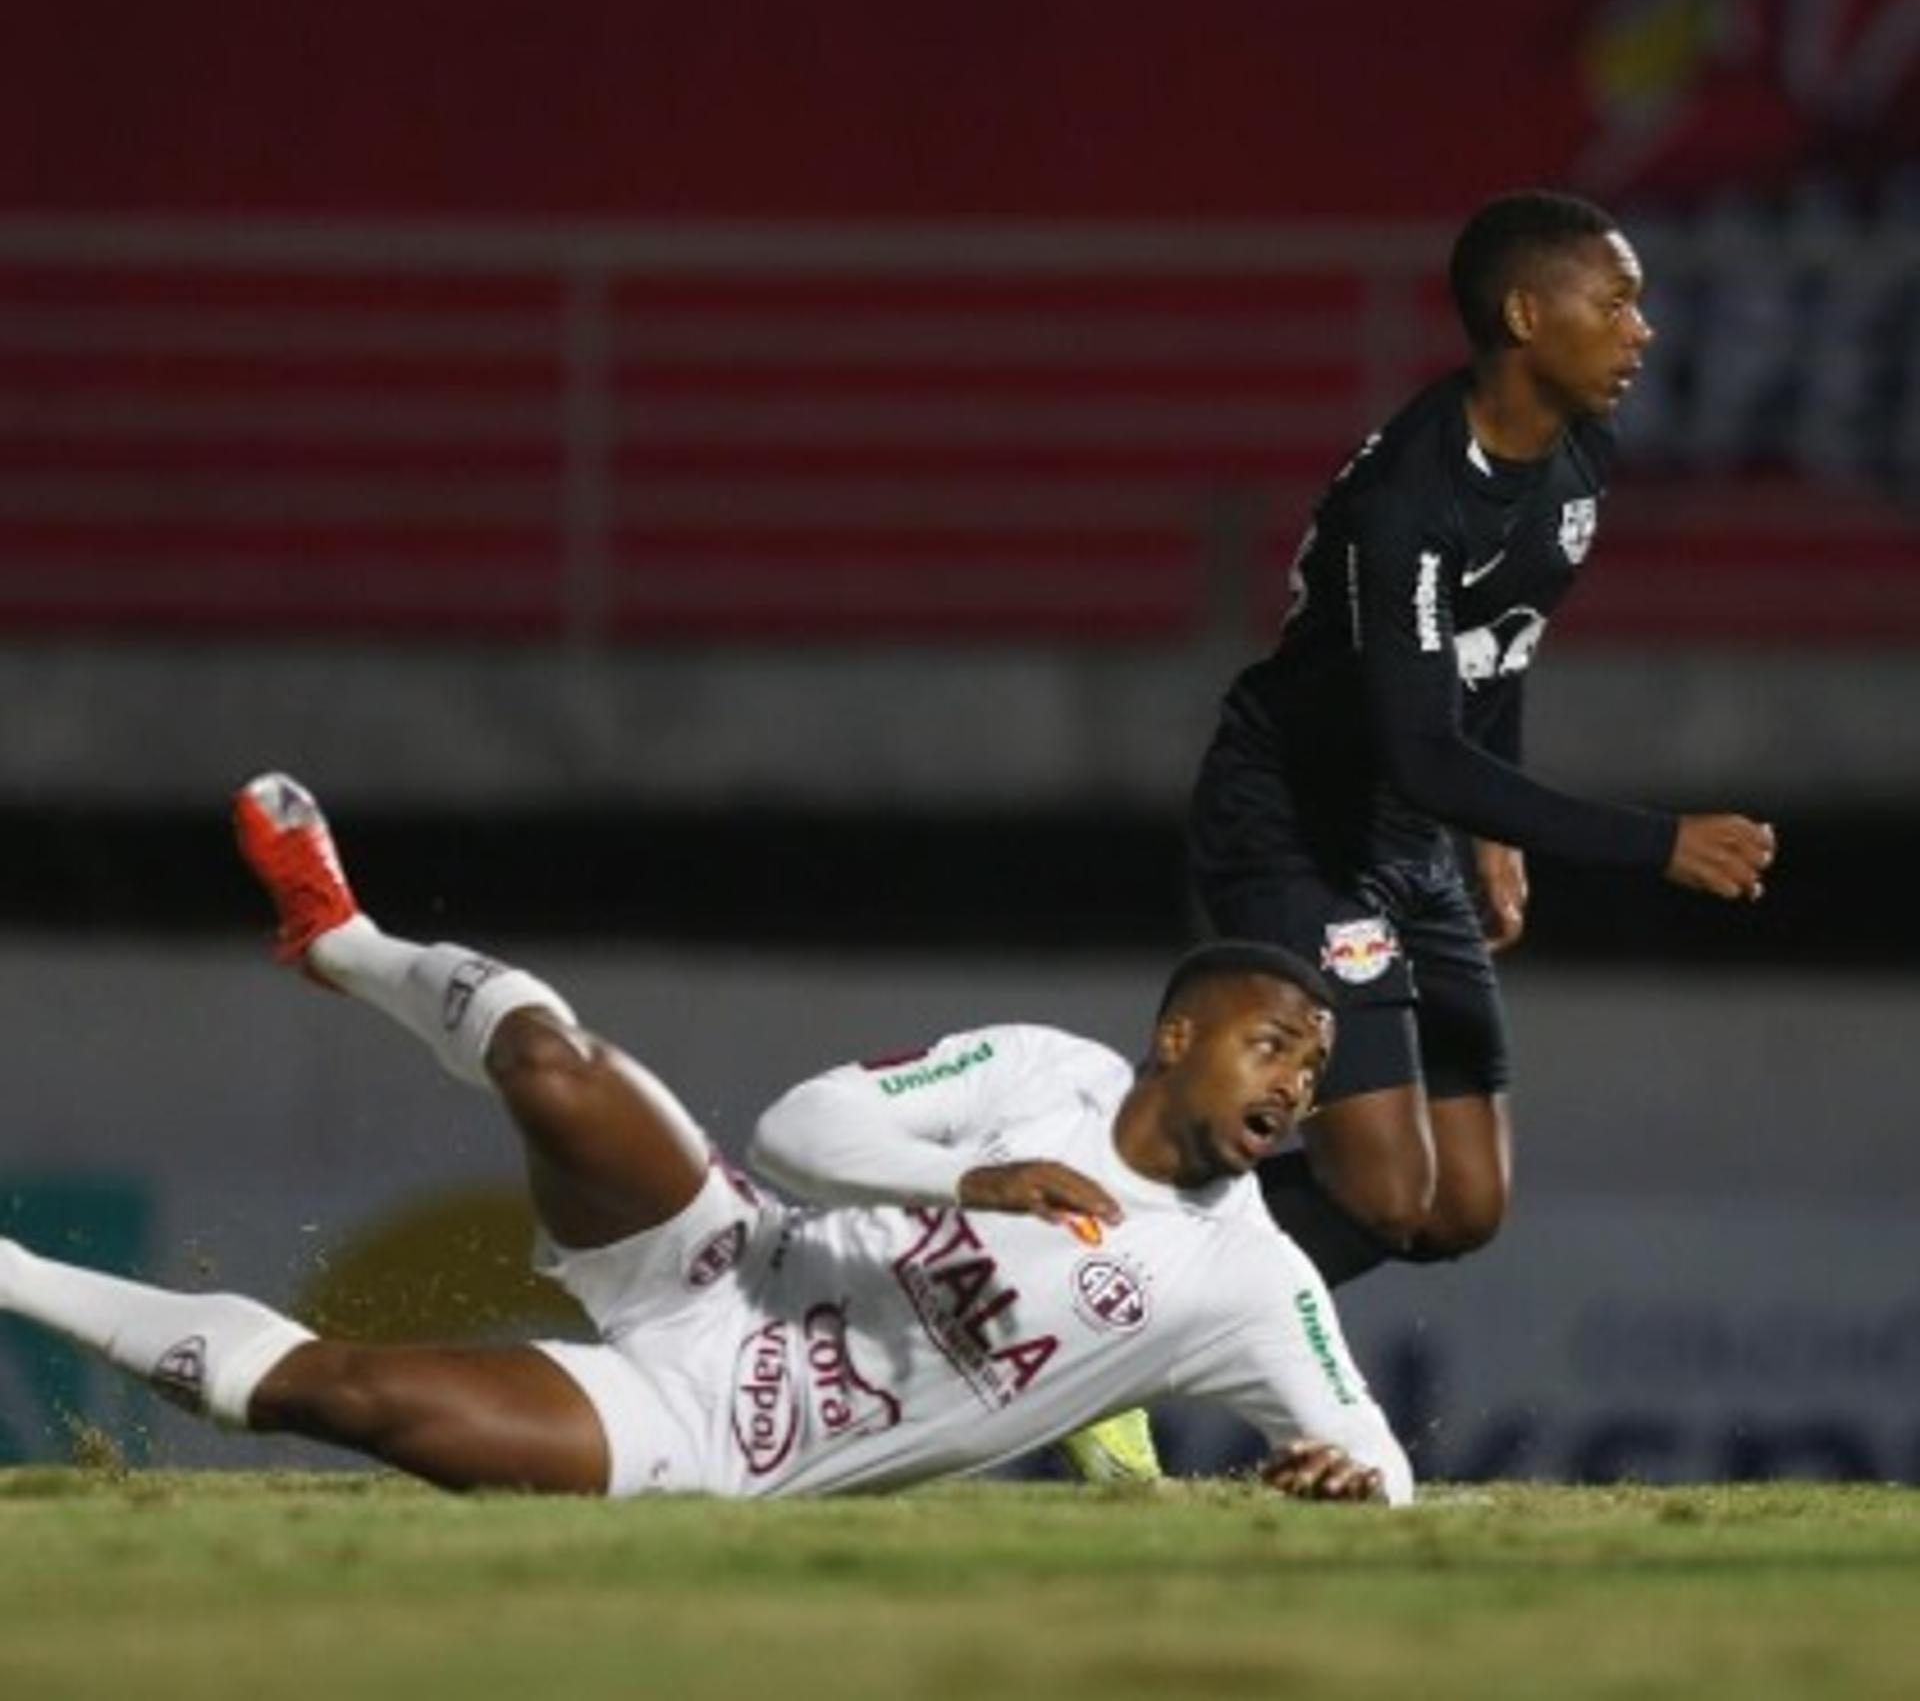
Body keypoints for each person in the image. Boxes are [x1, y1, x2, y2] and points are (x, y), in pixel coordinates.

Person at [0, 772, 1411, 1505]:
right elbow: (804, 1122)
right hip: (736, 1256)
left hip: (723, 1436)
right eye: (1275, 1041)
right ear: (1179, 1035)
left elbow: (1372, 1449)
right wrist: (963, 1176)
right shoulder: (1047, 1070)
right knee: (554, 1066)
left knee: (342, 1393)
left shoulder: (1245, 1274)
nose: (1297, 1081)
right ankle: (342, 936)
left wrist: (1352, 1479)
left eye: (1318, 1064)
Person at [1188, 190, 1777, 1287]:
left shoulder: (1580, 458)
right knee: (1379, 1190)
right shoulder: (1410, 499)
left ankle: (1150, 1245)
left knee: (1460, 1202)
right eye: (1616, 302)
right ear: (1524, 315)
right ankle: (1106, 1294)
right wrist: (1656, 843)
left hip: (1414, 833)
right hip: (1302, 833)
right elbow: (1420, 751)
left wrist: (1493, 835)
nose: (1641, 329)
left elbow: (1498, 647)